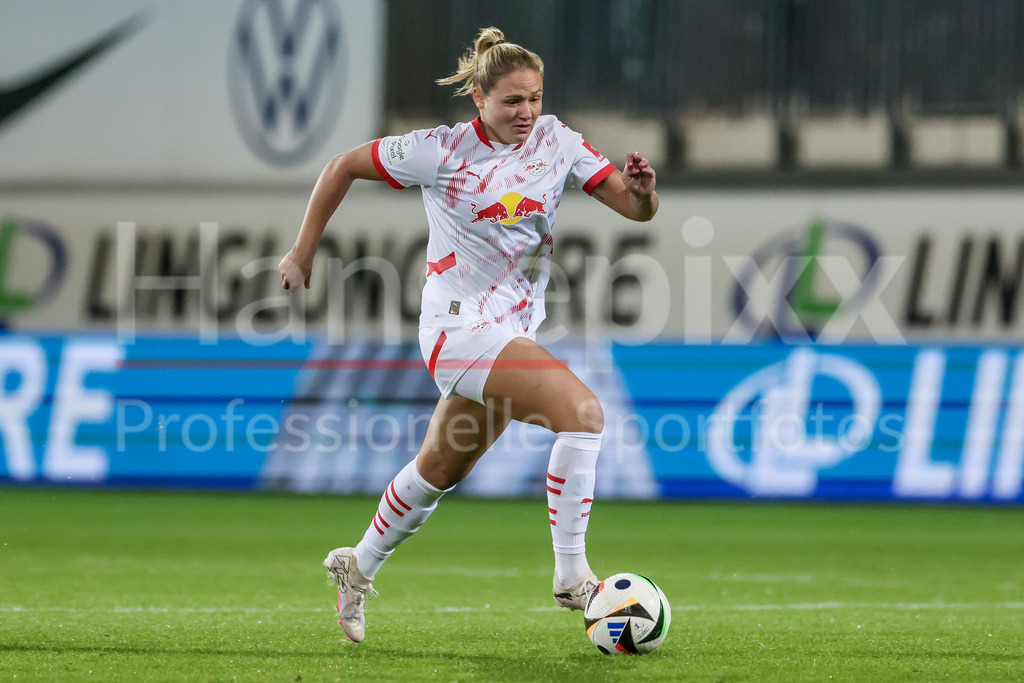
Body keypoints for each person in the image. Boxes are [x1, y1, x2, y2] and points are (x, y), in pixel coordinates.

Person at [278, 26, 658, 644]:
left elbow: (633, 208)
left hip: (509, 332)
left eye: (533, 97)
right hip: (457, 331)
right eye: (511, 101)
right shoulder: (440, 150)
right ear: (477, 99)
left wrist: (643, 195)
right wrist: (302, 252)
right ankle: (572, 575)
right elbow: (342, 165)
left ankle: (357, 564)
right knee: (584, 415)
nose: (526, 112)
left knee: (438, 469)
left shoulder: (558, 142)